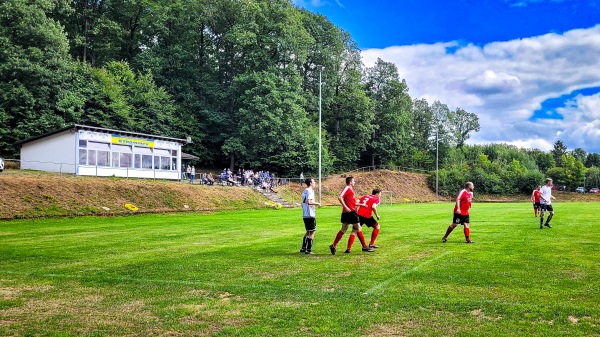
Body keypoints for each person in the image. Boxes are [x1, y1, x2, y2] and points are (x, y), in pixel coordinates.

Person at [329, 176, 374, 254]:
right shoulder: (347, 188)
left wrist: (361, 204)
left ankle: (333, 246)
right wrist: (346, 207)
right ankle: (364, 247)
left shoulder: (351, 190)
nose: (354, 182)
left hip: (347, 212)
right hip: (350, 212)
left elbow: (352, 203)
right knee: (358, 228)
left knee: (343, 229)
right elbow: (340, 197)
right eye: (353, 181)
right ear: (350, 182)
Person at [300, 178, 321, 254]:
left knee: (308, 231)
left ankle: (303, 248)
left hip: (305, 214)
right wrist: (317, 203)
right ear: (311, 183)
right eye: (314, 181)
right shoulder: (310, 191)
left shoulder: (304, 191)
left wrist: (312, 209)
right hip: (310, 215)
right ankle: (308, 250)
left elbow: (302, 204)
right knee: (312, 232)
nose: (315, 182)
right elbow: (309, 202)